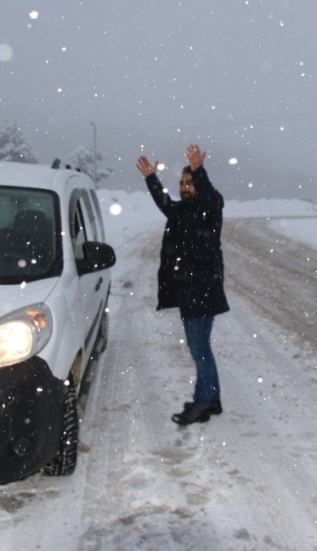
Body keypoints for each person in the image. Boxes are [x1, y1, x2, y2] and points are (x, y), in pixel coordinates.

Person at [136, 144, 230, 425]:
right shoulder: (181, 213)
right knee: (203, 349)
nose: (185, 186)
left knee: (199, 350)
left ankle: (202, 404)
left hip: (203, 291)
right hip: (191, 291)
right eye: (182, 182)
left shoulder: (210, 208)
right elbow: (164, 202)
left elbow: (211, 197)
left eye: (189, 183)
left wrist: (200, 171)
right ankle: (212, 400)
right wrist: (152, 178)